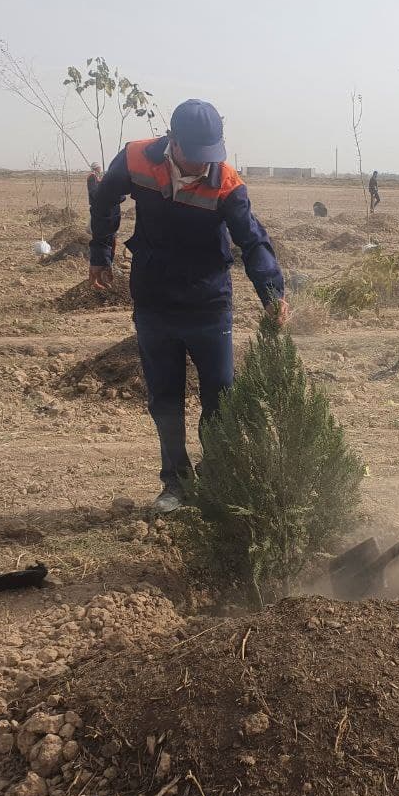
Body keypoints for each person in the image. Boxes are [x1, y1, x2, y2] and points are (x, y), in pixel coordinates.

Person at [90, 99, 288, 514]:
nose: (203, 165)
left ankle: (216, 480)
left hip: (207, 303)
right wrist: (101, 251)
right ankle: (175, 483)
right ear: (173, 140)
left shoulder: (227, 183)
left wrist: (272, 292)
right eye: (195, 156)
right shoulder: (135, 158)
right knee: (164, 398)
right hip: (154, 298)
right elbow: (105, 196)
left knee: (221, 397)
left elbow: (252, 240)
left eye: (210, 156)